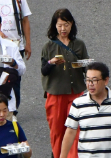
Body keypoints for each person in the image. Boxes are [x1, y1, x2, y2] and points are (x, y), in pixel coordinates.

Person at [59, 62, 111, 158]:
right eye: (87, 80)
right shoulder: (78, 103)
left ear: (106, 80)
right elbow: (70, 132)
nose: (90, 84)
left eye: (94, 80)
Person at [41, 9, 88, 158]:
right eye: (60, 25)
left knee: (76, 129)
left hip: (76, 93)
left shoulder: (79, 44)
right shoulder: (48, 47)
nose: (63, 29)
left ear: (71, 25)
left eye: (66, 25)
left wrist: (82, 64)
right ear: (55, 26)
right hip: (56, 94)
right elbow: (44, 70)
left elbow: (87, 67)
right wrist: (52, 62)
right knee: (57, 131)